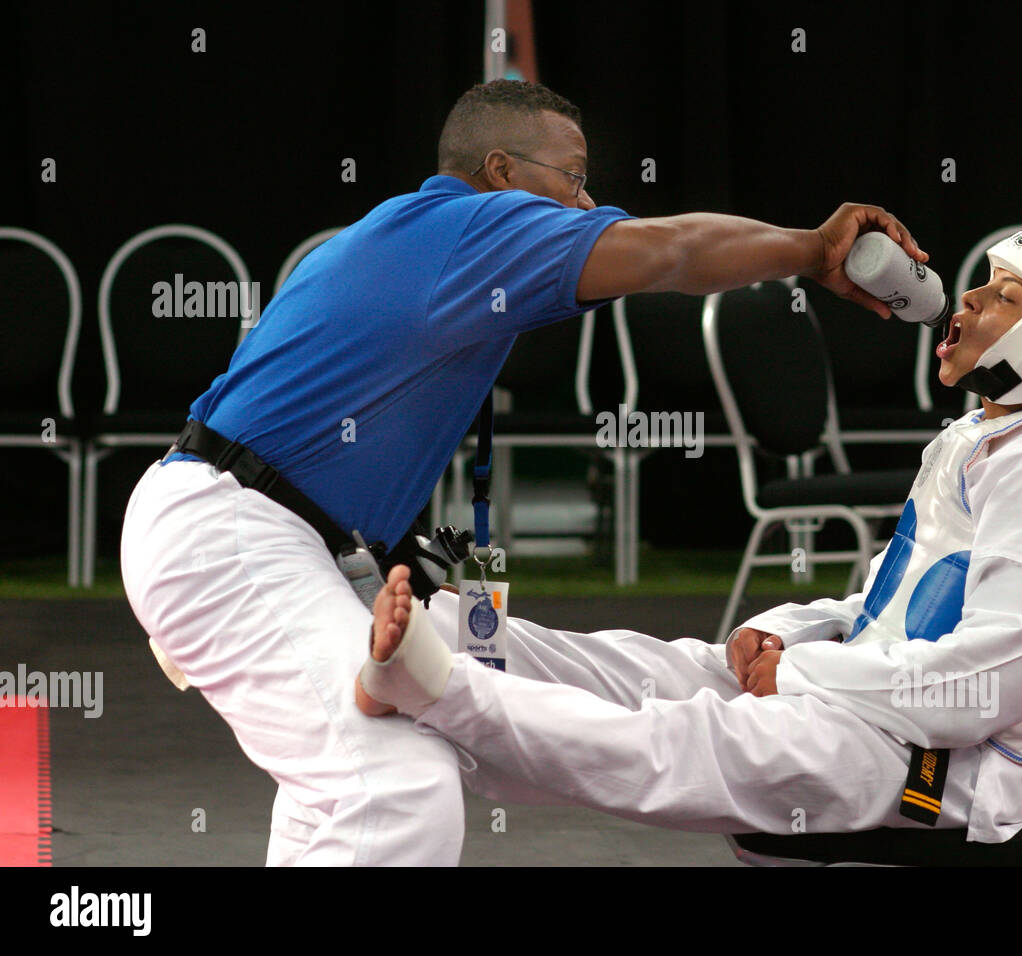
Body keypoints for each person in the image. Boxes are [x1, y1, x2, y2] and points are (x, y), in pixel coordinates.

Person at [119, 77, 929, 865]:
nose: (585, 204)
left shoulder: (410, 236)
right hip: (234, 536)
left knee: (354, 770)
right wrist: (814, 249)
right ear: (502, 173)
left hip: (270, 535)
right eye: (573, 179)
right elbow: (672, 250)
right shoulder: (471, 226)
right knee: (390, 785)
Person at [354, 221, 1022, 845]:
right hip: (877, 710)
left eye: (1005, 298)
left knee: (688, 739)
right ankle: (453, 637)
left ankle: (437, 685)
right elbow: (885, 607)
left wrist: (802, 677)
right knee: (649, 669)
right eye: (984, 284)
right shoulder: (987, 438)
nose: (970, 301)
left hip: (942, 775)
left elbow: (982, 688)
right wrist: (779, 633)